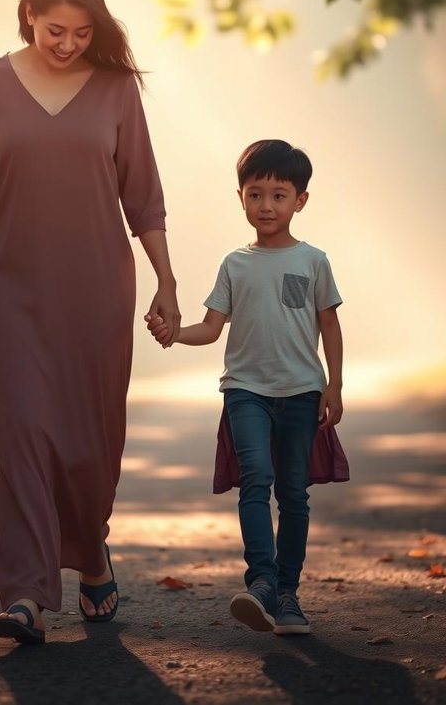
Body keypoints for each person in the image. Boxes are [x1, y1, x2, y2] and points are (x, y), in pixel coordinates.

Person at [0, 0, 180, 645]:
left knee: (89, 443)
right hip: (9, 286)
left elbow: (144, 196)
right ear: (28, 14)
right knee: (24, 434)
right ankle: (28, 595)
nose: (67, 43)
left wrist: (167, 280)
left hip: (98, 287)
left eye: (81, 31)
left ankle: (90, 548)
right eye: (54, 29)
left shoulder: (117, 88)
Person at [146, 139, 346, 636]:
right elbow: (211, 328)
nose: (266, 206)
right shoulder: (234, 264)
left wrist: (334, 385)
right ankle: (260, 581)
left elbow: (329, 326)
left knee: (293, 494)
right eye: (255, 194)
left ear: (300, 199)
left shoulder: (313, 260)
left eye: (279, 195)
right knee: (256, 478)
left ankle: (287, 594)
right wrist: (174, 334)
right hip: (245, 390)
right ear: (240, 197)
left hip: (302, 391)